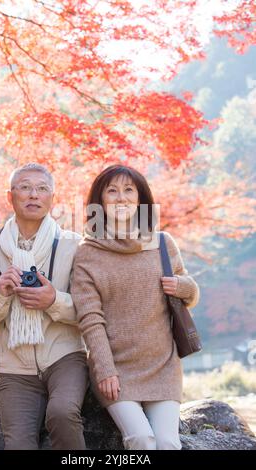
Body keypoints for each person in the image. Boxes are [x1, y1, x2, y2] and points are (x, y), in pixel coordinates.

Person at [71, 164, 200, 450]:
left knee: (167, 442)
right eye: (112, 191)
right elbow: (90, 319)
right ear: (100, 201)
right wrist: (105, 370)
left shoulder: (163, 243)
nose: (121, 198)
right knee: (141, 439)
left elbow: (189, 292)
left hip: (163, 365)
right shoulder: (88, 253)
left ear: (141, 198)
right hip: (117, 369)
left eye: (129, 190)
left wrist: (182, 286)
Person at [0, 163, 88, 450]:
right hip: (14, 367)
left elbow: (90, 311)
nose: (34, 194)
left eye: (42, 188)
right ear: (11, 196)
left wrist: (53, 300)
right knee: (18, 444)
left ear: (52, 198)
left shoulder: (74, 246)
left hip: (65, 358)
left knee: (63, 413)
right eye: (25, 187)